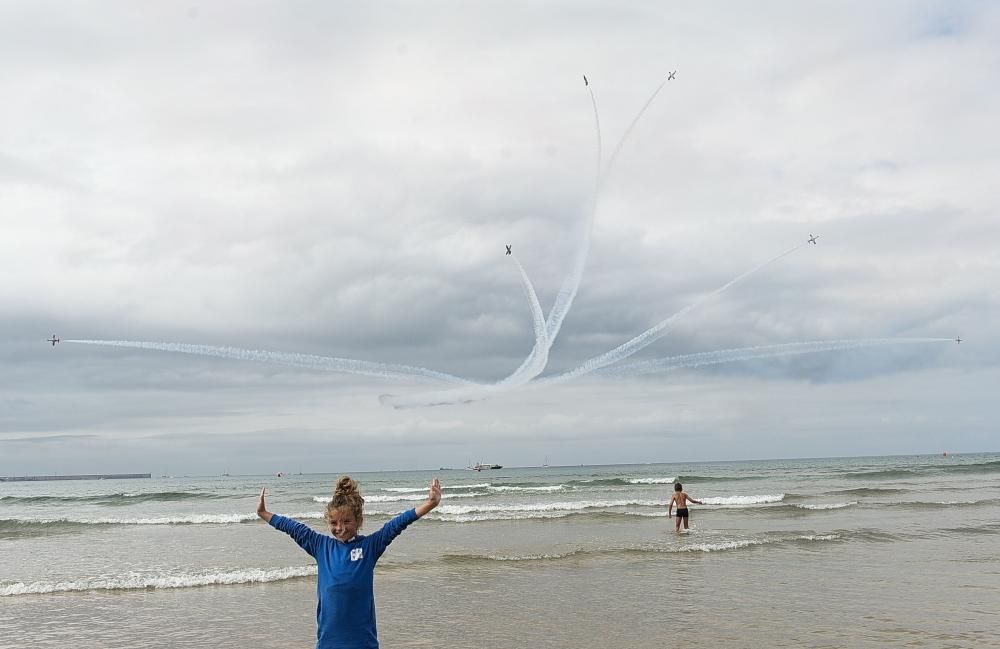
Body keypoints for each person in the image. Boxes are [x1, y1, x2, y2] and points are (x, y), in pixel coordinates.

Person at [257, 475, 442, 649]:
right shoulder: (320, 546)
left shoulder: (370, 547)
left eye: (347, 521)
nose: (340, 528)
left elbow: (396, 524)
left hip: (362, 642)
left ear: (359, 520)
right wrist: (264, 513)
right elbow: (293, 528)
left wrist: (430, 503)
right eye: (334, 523)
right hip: (328, 642)